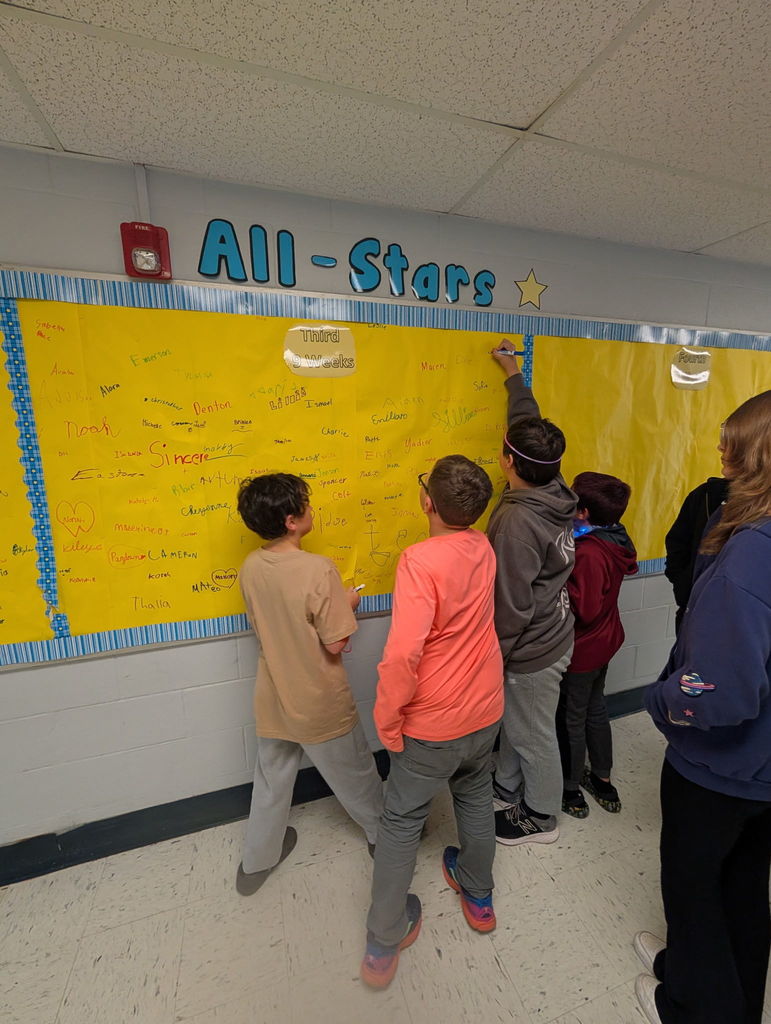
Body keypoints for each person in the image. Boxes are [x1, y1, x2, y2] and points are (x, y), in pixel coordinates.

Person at [634, 390, 771, 1024]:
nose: (719, 452)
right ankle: (724, 991)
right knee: (744, 886)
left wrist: (661, 700)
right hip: (763, 769)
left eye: (731, 444)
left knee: (693, 885)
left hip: (720, 767)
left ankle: (692, 1003)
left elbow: (719, 692)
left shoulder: (750, 552)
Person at [360, 455, 503, 989]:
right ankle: (478, 894)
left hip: (432, 722)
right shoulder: (482, 546)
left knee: (400, 822)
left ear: (427, 502)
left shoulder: (418, 561)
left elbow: (402, 654)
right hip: (484, 708)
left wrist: (387, 718)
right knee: (474, 795)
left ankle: (382, 939)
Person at [235, 473, 383, 895]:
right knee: (355, 772)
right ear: (291, 521)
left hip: (274, 693)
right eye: (306, 504)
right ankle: (382, 835)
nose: (312, 509)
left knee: (271, 779)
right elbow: (335, 642)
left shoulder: (250, 567)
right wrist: (348, 601)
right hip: (317, 697)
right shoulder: (318, 569)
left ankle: (257, 861)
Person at [486, 340, 577, 846]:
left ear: (506, 461)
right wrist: (512, 373)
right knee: (521, 724)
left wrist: (494, 658)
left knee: (530, 732)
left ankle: (541, 816)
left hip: (532, 647)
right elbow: (530, 421)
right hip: (555, 630)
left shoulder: (517, 520)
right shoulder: (553, 483)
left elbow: (511, 604)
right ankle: (507, 786)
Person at [555, 472, 638, 819]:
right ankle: (602, 777)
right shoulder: (616, 538)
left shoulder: (589, 552)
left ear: (584, 512)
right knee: (595, 708)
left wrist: (559, 583)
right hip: (606, 640)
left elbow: (585, 609)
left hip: (585, 648)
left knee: (572, 717)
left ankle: (571, 789)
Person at [664, 476, 728, 631]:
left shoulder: (762, 505)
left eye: (733, 449)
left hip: (737, 615)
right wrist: (683, 584)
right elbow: (677, 542)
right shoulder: (705, 495)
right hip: (693, 608)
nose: (722, 451)